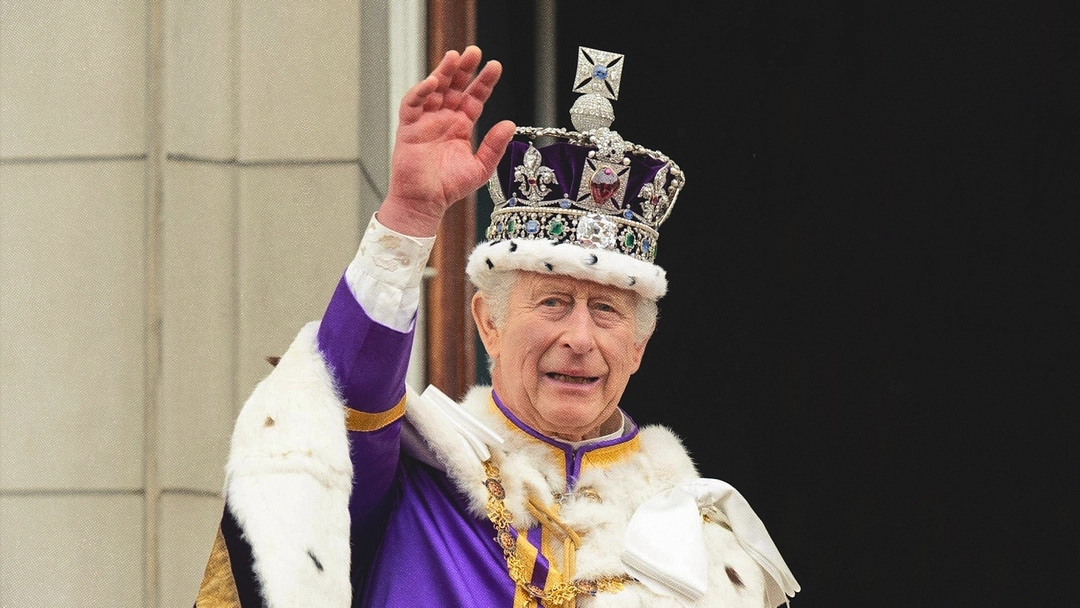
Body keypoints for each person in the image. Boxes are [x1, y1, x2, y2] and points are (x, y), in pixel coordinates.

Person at [195, 45, 799, 608]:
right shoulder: (414, 479)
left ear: (638, 346)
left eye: (607, 311)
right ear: (489, 322)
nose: (580, 339)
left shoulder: (704, 544)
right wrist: (408, 217)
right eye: (553, 303)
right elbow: (340, 395)